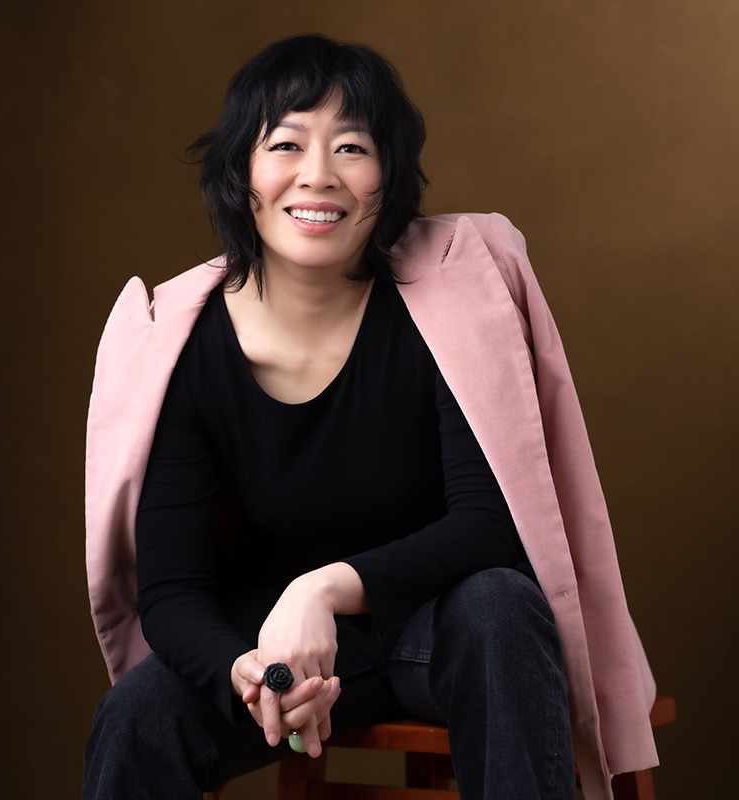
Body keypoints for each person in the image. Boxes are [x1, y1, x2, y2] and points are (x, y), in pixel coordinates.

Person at [83, 34, 659, 800]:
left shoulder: (450, 305)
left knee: (500, 604)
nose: (318, 176)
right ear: (242, 176)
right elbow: (172, 590)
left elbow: (492, 523)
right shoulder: (185, 347)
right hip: (289, 654)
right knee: (138, 715)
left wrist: (319, 589)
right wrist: (254, 676)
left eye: (351, 147)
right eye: (285, 143)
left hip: (442, 631)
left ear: (387, 180)